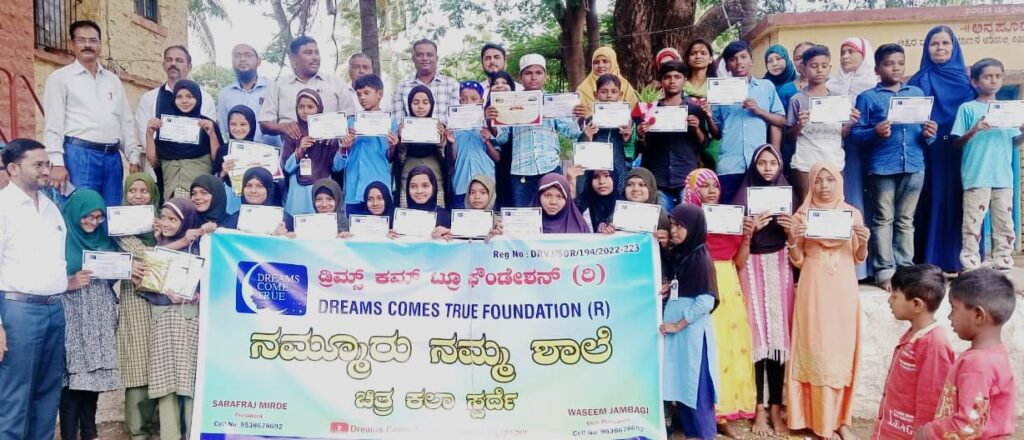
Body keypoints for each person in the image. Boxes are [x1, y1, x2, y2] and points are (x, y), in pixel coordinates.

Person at [785, 162, 869, 440]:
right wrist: (793, 239)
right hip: (814, 288)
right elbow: (798, 260)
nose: (823, 186)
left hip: (843, 288)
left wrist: (864, 242)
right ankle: (816, 421)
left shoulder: (852, 214)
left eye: (829, 180)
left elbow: (858, 258)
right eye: (818, 180)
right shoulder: (802, 216)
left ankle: (841, 419)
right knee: (815, 346)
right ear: (811, 184)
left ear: (839, 182)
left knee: (841, 349)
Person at [0, 139, 73, 440]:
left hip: (54, 309)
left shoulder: (51, 207)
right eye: (38, 164)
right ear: (13, 168)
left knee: (47, 396)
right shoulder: (3, 207)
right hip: (19, 311)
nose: (46, 170)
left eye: (47, 164)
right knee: (14, 397)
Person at [852, 43, 935, 291]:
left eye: (900, 63)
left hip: (914, 164)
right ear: (877, 69)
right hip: (881, 166)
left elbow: (925, 134)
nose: (895, 68)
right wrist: (875, 132)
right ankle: (885, 271)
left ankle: (906, 270)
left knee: (906, 220)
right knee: (883, 219)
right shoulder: (868, 98)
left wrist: (930, 133)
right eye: (888, 64)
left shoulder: (917, 94)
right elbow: (855, 135)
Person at [682, 168, 757, 437]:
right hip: (700, 284)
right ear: (693, 190)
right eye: (704, 186)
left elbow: (739, 261)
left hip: (726, 285)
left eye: (715, 185)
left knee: (727, 348)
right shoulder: (686, 218)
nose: (712, 191)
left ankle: (723, 412)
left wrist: (747, 237)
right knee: (704, 349)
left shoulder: (728, 218)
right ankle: (701, 413)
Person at [731, 144, 797, 436]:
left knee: (779, 340)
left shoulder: (789, 196)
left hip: (780, 264)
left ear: (780, 166)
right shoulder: (743, 198)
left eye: (772, 163)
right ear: (753, 166)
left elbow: (799, 247)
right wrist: (749, 231)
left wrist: (789, 230)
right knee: (757, 339)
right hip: (751, 266)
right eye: (762, 163)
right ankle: (758, 408)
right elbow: (733, 248)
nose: (767, 168)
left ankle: (776, 409)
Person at [43, 20, 140, 206]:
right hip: (79, 156)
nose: (87, 45)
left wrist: (133, 157)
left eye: (93, 40)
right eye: (81, 40)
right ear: (72, 44)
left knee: (112, 211)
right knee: (82, 210)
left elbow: (125, 121)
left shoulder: (112, 80)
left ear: (100, 45)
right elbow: (53, 124)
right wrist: (57, 162)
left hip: (112, 158)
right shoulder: (60, 78)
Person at [917, 268, 1017, 439]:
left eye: (954, 308)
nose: (950, 316)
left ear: (978, 315)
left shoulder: (977, 364)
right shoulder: (996, 354)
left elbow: (968, 425)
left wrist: (927, 433)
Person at [910, 25, 977, 272]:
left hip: (962, 149)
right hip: (930, 149)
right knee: (930, 199)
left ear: (954, 47)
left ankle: (963, 260)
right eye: (934, 44)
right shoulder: (918, 80)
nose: (940, 48)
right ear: (927, 49)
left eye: (945, 43)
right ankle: (929, 258)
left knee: (964, 202)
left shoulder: (969, 80)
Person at [58, 189, 120, 440]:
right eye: (87, 216)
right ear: (76, 213)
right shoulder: (59, 240)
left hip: (99, 315)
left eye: (98, 217)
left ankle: (90, 433)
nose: (93, 222)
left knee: (94, 379)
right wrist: (69, 282)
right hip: (72, 313)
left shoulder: (104, 240)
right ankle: (69, 435)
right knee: (72, 381)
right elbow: (45, 277)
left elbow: (117, 272)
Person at [952, 58, 1024, 272]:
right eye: (988, 76)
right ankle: (971, 264)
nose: (994, 81)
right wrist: (974, 129)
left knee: (1005, 222)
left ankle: (1003, 262)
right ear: (975, 81)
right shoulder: (967, 108)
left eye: (998, 76)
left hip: (1003, 177)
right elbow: (956, 143)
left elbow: (1014, 142)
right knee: (973, 223)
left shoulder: (1007, 110)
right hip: (977, 176)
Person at [491, 54, 584, 207]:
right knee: (524, 217)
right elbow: (502, 138)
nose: (534, 77)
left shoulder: (553, 102)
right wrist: (492, 122)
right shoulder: (511, 102)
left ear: (545, 76)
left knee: (552, 213)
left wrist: (580, 118)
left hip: (550, 167)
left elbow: (570, 132)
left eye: (538, 73)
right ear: (521, 77)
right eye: (528, 73)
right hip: (521, 171)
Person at [873, 264, 954, 440]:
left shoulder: (934, 344)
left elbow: (932, 401)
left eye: (894, 296)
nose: (889, 301)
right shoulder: (913, 334)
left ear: (916, 304)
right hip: (891, 430)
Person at [660, 204, 719, 440]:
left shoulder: (700, 258)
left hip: (691, 334)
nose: (674, 230)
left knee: (697, 387)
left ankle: (705, 434)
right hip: (681, 337)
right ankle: (692, 433)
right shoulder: (683, 254)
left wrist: (678, 324)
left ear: (693, 228)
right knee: (683, 386)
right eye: (672, 225)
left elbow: (705, 301)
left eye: (680, 226)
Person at [148, 197, 203, 440]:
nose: (167, 223)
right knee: (165, 381)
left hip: (188, 321)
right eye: (164, 217)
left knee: (189, 380)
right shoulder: (157, 245)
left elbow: (209, 283)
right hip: (162, 321)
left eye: (173, 219)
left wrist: (196, 295)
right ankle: (169, 435)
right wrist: (162, 290)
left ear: (187, 221)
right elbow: (145, 282)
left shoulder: (198, 248)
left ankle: (191, 433)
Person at [113, 173, 161, 440]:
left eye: (144, 191)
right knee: (138, 359)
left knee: (159, 358)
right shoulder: (119, 226)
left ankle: (158, 423)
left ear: (152, 194)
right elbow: (144, 255)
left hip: (164, 300)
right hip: (135, 299)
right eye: (133, 191)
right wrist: (163, 242)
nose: (139, 196)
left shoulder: (162, 220)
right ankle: (138, 430)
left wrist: (162, 234)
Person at [713, 41, 786, 202]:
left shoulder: (766, 87)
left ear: (752, 61)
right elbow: (716, 132)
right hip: (730, 165)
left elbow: (781, 121)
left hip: (760, 164)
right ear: (727, 66)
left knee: (760, 211)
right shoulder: (720, 91)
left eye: (743, 57)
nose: (739, 62)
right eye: (732, 59)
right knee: (730, 211)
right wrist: (706, 115)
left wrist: (759, 110)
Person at [787, 45, 861, 198]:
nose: (819, 70)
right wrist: (800, 125)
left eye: (824, 66)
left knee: (834, 203)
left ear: (830, 68)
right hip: (806, 163)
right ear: (804, 68)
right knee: (807, 204)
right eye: (814, 66)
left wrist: (851, 123)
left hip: (834, 161)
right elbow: (789, 137)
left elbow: (842, 133)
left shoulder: (839, 99)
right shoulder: (797, 99)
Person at [637, 61, 711, 210]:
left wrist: (697, 129)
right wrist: (641, 135)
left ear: (685, 80)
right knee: (661, 220)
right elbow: (645, 149)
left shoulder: (694, 109)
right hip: (658, 176)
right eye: (667, 77)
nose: (672, 81)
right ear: (661, 81)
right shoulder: (650, 109)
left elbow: (704, 144)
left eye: (677, 77)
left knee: (686, 220)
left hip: (687, 176)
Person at [136, 45, 217, 178]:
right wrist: (163, 158)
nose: (173, 64)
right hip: (158, 167)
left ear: (189, 66)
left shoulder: (205, 98)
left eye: (179, 60)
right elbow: (143, 132)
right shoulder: (149, 98)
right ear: (164, 65)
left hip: (194, 169)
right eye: (169, 60)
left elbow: (206, 136)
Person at [258, 36, 357, 142]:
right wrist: (283, 127)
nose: (315, 57)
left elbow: (350, 117)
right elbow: (264, 124)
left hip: (331, 150)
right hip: (292, 150)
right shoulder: (279, 85)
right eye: (308, 53)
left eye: (317, 53)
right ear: (293, 58)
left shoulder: (336, 83)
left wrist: (336, 131)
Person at [145, 79, 223, 198]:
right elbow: (154, 162)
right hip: (171, 194)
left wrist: (212, 134)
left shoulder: (207, 125)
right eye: (179, 97)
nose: (184, 101)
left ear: (197, 98)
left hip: (199, 196)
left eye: (189, 96)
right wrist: (149, 134)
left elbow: (217, 161)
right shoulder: (166, 126)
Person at [339, 74, 398, 215]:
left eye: (366, 93)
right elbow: (337, 165)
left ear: (380, 94)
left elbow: (391, 159)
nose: (362, 98)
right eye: (359, 94)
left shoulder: (390, 122)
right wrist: (344, 148)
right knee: (354, 227)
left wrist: (393, 146)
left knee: (379, 227)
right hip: (353, 191)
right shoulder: (351, 123)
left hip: (379, 193)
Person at [280, 89, 346, 216]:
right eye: (301, 107)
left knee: (320, 221)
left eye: (310, 107)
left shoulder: (328, 132)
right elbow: (287, 168)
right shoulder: (293, 132)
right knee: (297, 222)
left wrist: (342, 148)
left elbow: (337, 167)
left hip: (322, 188)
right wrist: (300, 150)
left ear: (319, 108)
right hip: (298, 190)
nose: (305, 111)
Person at [395, 85, 450, 208]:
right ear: (409, 104)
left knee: (436, 213)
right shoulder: (404, 127)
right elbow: (399, 158)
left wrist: (442, 142)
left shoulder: (439, 127)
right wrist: (401, 140)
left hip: (435, 178)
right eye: (416, 102)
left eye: (425, 102)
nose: (420, 106)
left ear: (431, 104)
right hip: (408, 179)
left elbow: (447, 159)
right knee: (408, 214)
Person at [448, 81, 499, 208]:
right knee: (461, 219)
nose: (468, 102)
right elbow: (452, 160)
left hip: (486, 187)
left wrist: (487, 141)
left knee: (486, 219)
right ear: (459, 101)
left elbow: (497, 157)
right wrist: (452, 143)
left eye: (473, 99)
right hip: (462, 186)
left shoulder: (487, 126)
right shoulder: (454, 128)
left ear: (481, 101)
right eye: (464, 99)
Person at [580, 74, 635, 191]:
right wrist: (587, 137)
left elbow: (632, 152)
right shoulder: (589, 121)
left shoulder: (628, 122)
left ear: (620, 94)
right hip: (596, 173)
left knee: (619, 196)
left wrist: (627, 140)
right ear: (596, 94)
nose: (609, 96)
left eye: (614, 92)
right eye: (603, 92)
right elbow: (581, 152)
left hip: (619, 170)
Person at [217, 43, 279, 146]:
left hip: (270, 151)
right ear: (232, 62)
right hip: (238, 152)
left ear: (258, 61)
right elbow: (225, 129)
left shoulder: (273, 88)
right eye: (237, 56)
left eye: (248, 55)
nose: (242, 59)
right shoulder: (225, 94)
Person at [391, 39, 460, 122]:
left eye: (429, 55)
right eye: (420, 55)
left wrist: (443, 129)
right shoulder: (401, 89)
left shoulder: (452, 85)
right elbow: (397, 122)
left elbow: (457, 120)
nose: (425, 58)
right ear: (413, 59)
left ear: (437, 58)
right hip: (411, 131)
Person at [680, 39, 721, 172]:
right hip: (686, 144)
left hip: (713, 146)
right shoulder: (679, 86)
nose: (698, 56)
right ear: (687, 59)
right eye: (693, 53)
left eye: (703, 53)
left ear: (711, 59)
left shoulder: (718, 87)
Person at [220, 168, 293, 234]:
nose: (253, 190)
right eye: (248, 186)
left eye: (260, 186)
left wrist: (283, 238)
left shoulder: (284, 220)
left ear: (269, 189)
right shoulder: (232, 221)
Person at [214, 105, 257, 212]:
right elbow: (214, 184)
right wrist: (223, 173)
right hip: (229, 201)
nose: (237, 129)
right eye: (233, 124)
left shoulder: (260, 150)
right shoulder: (223, 150)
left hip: (255, 199)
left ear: (252, 125)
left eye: (243, 124)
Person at [576, 47, 640, 117]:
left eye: (605, 61)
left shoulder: (625, 86)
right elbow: (576, 117)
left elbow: (636, 115)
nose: (600, 65)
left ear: (613, 62)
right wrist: (577, 114)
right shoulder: (582, 89)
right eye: (596, 62)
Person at [487, 70, 517, 209]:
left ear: (512, 87)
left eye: (504, 82)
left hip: (517, 159)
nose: (500, 85)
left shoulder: (521, 106)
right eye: (495, 83)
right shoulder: (486, 110)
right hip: (496, 162)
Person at [402, 166, 452, 239]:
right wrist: (388, 236)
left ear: (434, 187)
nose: (419, 191)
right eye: (413, 186)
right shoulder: (400, 218)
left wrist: (450, 233)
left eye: (425, 186)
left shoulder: (447, 217)